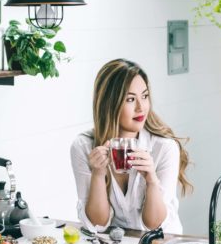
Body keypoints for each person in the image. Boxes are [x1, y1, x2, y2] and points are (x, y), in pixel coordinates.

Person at [70, 59, 191, 234]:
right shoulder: (83, 147)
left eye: (145, 96)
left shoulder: (164, 148)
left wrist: (151, 180)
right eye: (130, 99)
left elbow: (154, 225)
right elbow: (97, 223)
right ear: (109, 104)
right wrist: (98, 174)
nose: (141, 107)